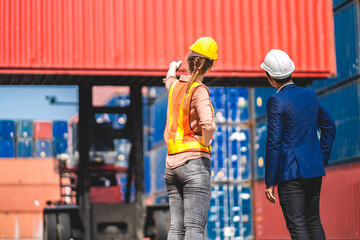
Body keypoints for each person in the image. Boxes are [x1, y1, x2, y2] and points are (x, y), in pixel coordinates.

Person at [260, 49, 336, 240]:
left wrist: (270, 181)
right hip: (313, 170)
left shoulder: (276, 100)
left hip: (290, 174)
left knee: (298, 226)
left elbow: (274, 142)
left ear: (270, 78)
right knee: (314, 221)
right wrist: (320, 158)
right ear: (292, 71)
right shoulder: (310, 95)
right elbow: (330, 128)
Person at [163, 37, 218, 240]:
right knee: (194, 228)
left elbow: (169, 81)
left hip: (171, 165)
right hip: (194, 164)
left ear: (188, 60)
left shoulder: (175, 87)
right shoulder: (199, 90)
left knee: (176, 228)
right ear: (210, 66)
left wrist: (171, 68)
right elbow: (208, 124)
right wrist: (205, 141)